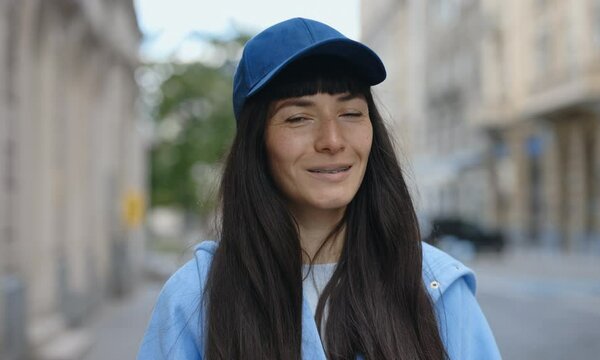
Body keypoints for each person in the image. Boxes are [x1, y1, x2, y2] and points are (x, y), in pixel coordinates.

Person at [137, 18, 501, 360]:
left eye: (351, 113)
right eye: (298, 117)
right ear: (256, 142)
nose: (332, 140)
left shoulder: (437, 287)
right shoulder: (196, 299)